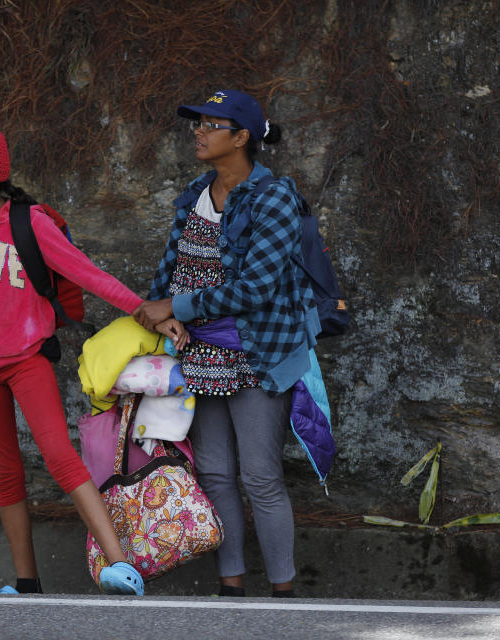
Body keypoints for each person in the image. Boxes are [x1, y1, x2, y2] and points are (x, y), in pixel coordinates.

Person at [0, 125, 182, 596]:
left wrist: (145, 314)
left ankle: (122, 566)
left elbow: (88, 275)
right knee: (2, 471)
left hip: (26, 360)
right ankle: (27, 583)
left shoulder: (30, 224)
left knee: (59, 455)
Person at [133, 90, 319, 598]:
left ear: (241, 138)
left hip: (259, 352)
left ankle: (284, 592)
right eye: (199, 122)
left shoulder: (275, 197)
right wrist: (158, 312)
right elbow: (171, 268)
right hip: (200, 353)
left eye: (214, 124)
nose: (200, 131)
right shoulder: (196, 191)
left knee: (260, 476)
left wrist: (176, 307)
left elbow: (256, 288)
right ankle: (230, 588)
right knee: (215, 473)